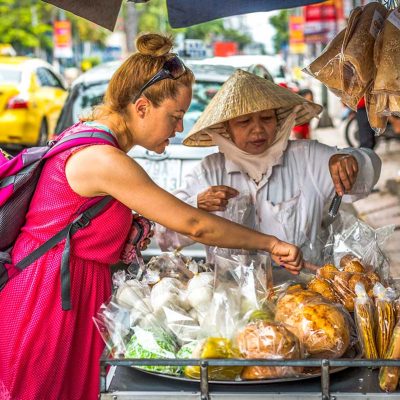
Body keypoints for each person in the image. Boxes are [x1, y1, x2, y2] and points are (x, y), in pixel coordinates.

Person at [0, 34, 303, 400]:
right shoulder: (103, 159)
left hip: (70, 298)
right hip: (46, 305)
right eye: (175, 117)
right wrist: (270, 243)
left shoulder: (93, 141)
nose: (179, 129)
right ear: (142, 107)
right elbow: (194, 225)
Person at [157, 69, 381, 262]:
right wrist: (196, 205)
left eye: (266, 119)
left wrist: (351, 160)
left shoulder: (307, 157)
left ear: (279, 121)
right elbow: (165, 238)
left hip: (305, 299)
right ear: (226, 129)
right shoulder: (208, 173)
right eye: (244, 122)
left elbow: (369, 170)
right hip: (234, 302)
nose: (258, 130)